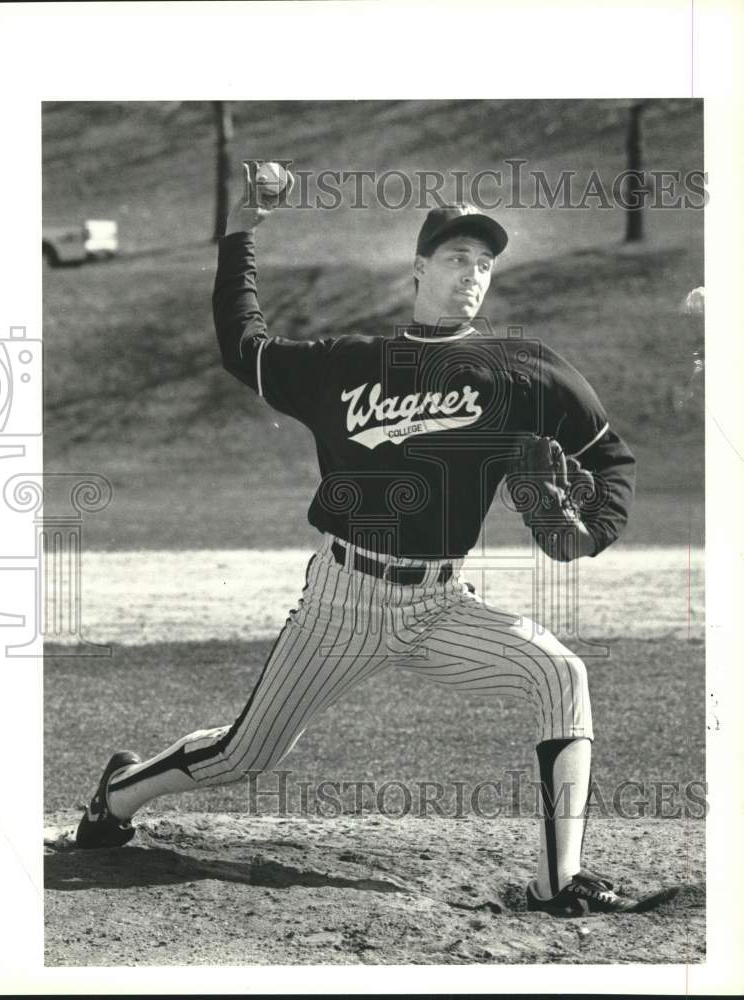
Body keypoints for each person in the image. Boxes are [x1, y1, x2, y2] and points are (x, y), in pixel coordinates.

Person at [76, 164, 672, 917]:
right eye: (457, 258)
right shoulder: (346, 366)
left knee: (562, 676)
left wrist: (592, 536)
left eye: (485, 264)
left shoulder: (526, 370)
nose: (472, 274)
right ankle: (119, 793)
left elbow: (609, 456)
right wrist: (240, 234)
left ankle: (559, 880)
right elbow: (243, 345)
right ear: (419, 268)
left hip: (440, 603)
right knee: (246, 753)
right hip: (341, 603)